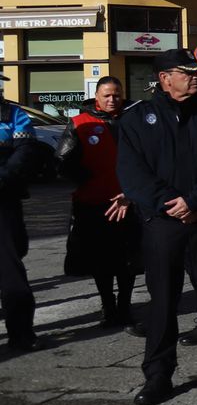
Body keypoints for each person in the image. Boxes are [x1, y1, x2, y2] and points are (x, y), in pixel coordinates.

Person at [117, 49, 197, 404]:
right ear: (164, 78)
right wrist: (170, 204)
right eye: (186, 72)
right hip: (162, 224)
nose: (195, 77)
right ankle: (158, 375)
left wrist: (196, 201)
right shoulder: (136, 119)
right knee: (162, 301)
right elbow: (132, 174)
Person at [58, 77, 141, 327]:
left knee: (128, 261)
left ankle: (125, 307)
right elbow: (62, 159)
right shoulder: (81, 122)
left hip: (130, 202)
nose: (112, 99)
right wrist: (83, 177)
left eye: (116, 94)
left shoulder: (135, 118)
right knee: (100, 260)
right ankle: (108, 305)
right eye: (107, 95)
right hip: (95, 203)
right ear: (97, 96)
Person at [0, 75, 43, 350]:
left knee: (10, 269)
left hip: (3, 199)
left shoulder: (13, 113)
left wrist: (2, 177)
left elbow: (25, 151)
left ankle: (21, 333)